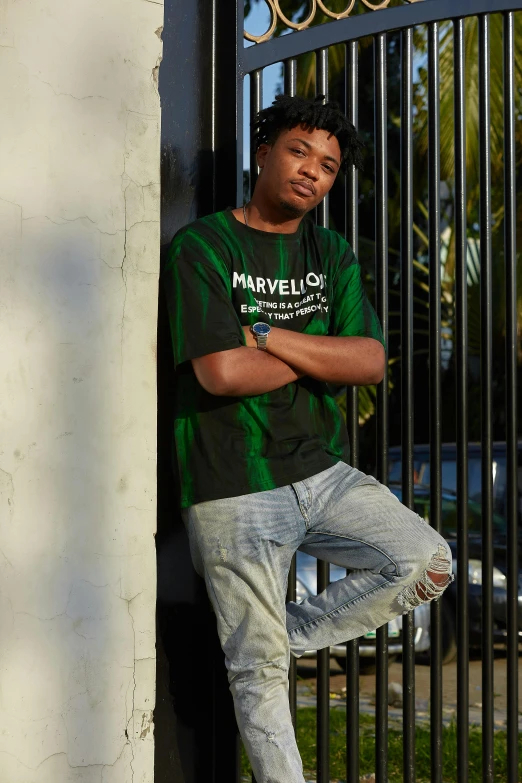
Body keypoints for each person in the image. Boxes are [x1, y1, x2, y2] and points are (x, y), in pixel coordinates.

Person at [164, 95, 453, 783]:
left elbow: (370, 361)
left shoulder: (331, 252)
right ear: (264, 153)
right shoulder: (203, 246)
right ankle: (259, 654)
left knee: (426, 560)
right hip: (232, 482)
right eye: (299, 151)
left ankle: (276, 636)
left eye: (327, 166)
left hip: (322, 472)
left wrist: (265, 334)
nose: (311, 172)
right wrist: (320, 349)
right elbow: (220, 371)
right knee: (259, 682)